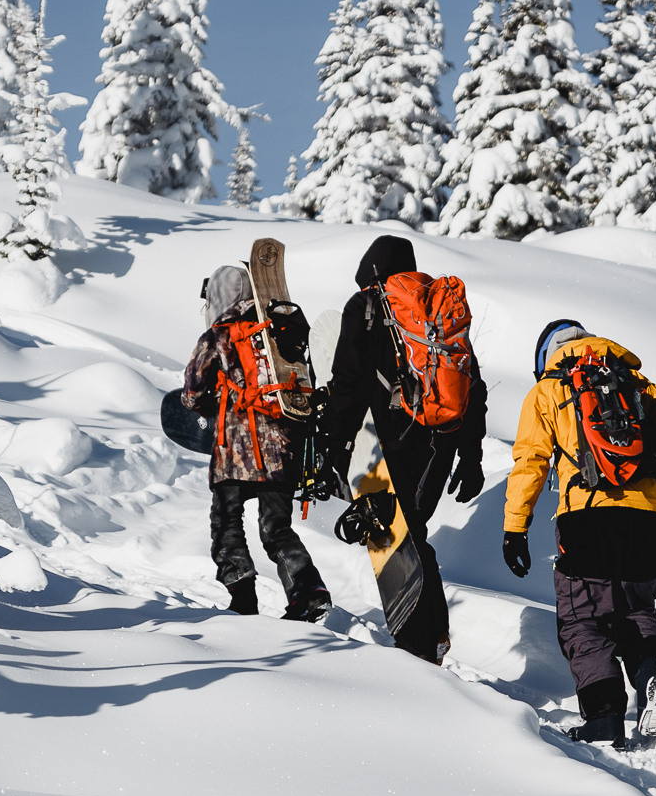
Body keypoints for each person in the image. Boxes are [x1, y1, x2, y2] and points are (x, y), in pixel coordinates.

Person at [500, 319, 656, 745]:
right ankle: (653, 673)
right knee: (637, 610)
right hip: (649, 518)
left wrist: (515, 528)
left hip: (588, 516)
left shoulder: (548, 390)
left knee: (583, 620)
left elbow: (531, 463)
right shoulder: (636, 382)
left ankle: (604, 717)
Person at [315, 236, 487, 661]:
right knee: (414, 534)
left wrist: (333, 447)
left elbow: (349, 384)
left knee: (399, 537)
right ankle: (434, 634)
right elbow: (472, 387)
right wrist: (471, 456)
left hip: (392, 438)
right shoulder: (439, 308)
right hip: (441, 441)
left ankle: (419, 644)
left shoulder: (369, 305)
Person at [182, 265, 331, 622]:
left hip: (235, 452)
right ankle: (308, 591)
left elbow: (192, 394)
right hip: (282, 450)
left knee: (227, 522)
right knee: (276, 528)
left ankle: (243, 597)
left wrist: (208, 403)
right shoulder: (283, 331)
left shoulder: (218, 336)